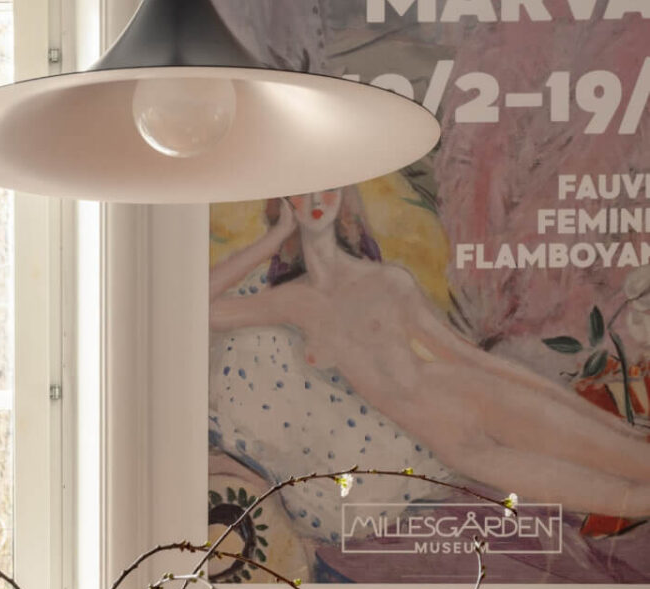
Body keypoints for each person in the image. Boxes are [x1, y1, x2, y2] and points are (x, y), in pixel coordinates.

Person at [210, 188, 650, 524]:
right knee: (629, 501)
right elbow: (196, 309)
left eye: (328, 188)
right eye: (303, 190)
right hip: (459, 448)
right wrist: (276, 236)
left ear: (345, 199)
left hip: (476, 393)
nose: (316, 200)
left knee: (636, 457)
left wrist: (595, 416)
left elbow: (474, 360)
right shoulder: (293, 301)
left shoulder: (388, 282)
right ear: (286, 200)